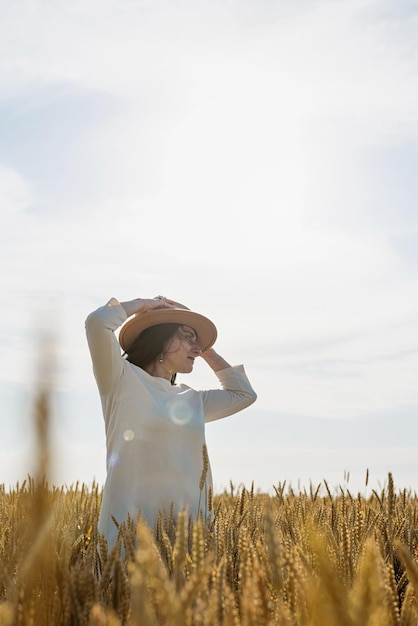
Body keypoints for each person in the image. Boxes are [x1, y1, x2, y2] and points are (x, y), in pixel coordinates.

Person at [85, 295, 257, 548]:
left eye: (196, 342)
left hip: (188, 539)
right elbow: (97, 322)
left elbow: (243, 394)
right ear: (160, 337)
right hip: (128, 533)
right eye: (187, 337)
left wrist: (205, 347)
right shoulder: (120, 379)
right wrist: (145, 305)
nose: (196, 349)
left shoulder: (191, 400)